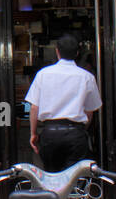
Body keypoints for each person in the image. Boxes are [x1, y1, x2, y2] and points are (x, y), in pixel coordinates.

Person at [25, 33, 102, 175]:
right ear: (77, 53)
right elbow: (90, 111)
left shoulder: (43, 74)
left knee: (52, 178)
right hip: (75, 134)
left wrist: (33, 133)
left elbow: (34, 107)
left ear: (57, 51)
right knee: (75, 179)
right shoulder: (87, 77)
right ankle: (73, 197)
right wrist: (79, 130)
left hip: (50, 134)